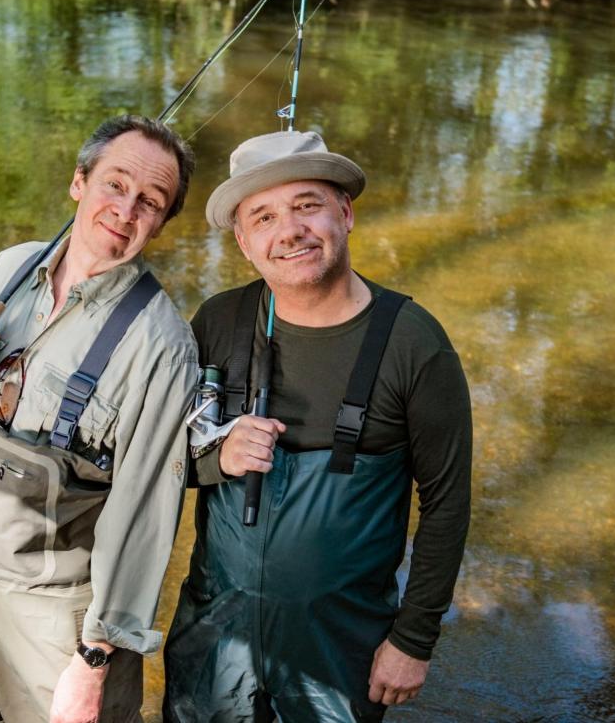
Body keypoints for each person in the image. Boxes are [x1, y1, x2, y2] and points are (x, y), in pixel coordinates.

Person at [163, 130, 472, 722]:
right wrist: (215, 459)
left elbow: (447, 504)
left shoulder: (414, 344)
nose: (290, 231)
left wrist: (413, 640)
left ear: (346, 213)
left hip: (339, 648)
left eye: (308, 205)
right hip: (214, 631)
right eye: (264, 216)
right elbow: (156, 456)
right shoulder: (218, 322)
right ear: (244, 242)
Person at [0, 115, 199, 723]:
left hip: (57, 617)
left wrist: (93, 663)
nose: (126, 209)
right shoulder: (8, 270)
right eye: (115, 184)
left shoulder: (163, 345)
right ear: (79, 182)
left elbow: (145, 516)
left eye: (151, 201)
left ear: (162, 222)